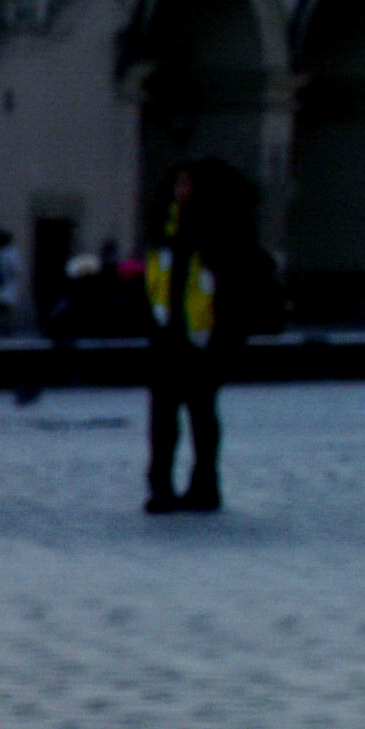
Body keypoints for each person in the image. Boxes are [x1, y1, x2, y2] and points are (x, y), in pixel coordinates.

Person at [139, 156, 273, 516]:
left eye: (187, 184)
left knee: (199, 415)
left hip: (203, 341)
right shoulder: (164, 231)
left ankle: (203, 485)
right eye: (178, 183)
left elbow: (229, 291)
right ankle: (163, 487)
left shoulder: (220, 235)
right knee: (166, 417)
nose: (180, 191)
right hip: (169, 337)